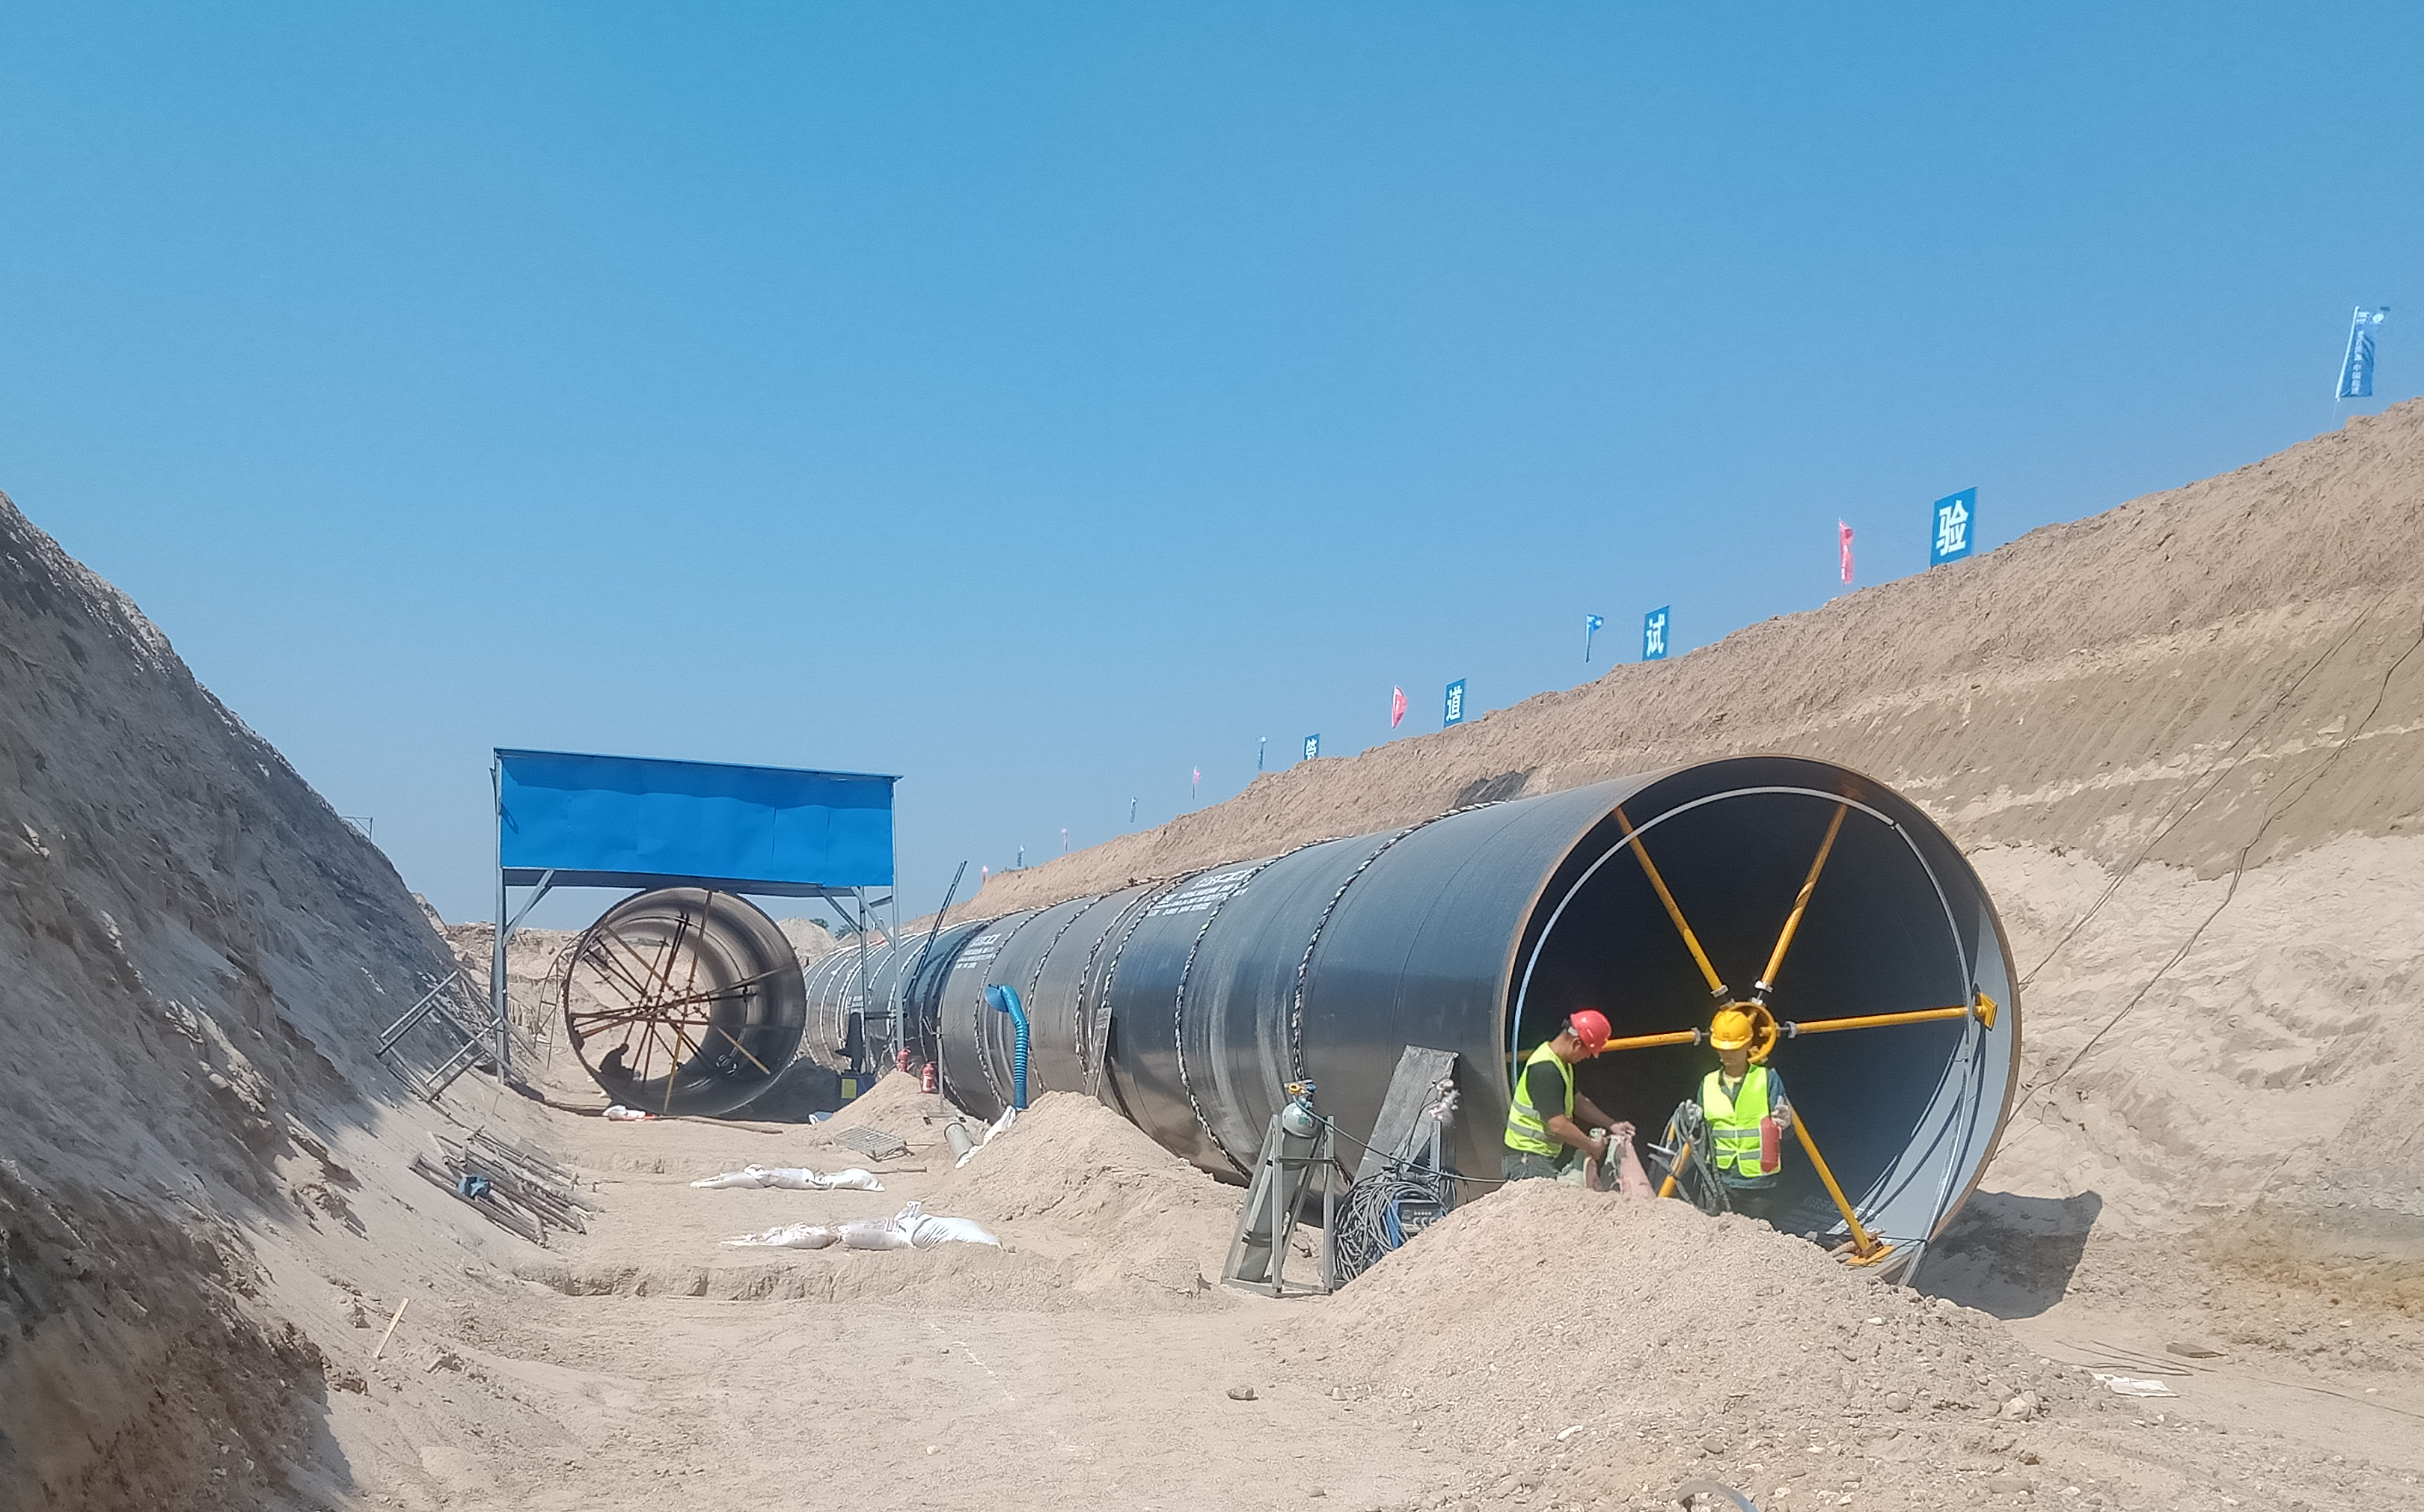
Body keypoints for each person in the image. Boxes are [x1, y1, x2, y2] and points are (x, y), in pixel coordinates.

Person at [1503, 1010, 1626, 1183]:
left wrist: (1612, 1124)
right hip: (1528, 1160)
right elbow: (1558, 1126)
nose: (1587, 1058)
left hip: (1538, 1156)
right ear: (1576, 1043)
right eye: (1588, 1053)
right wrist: (1592, 1147)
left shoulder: (1560, 1063)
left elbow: (1578, 1101)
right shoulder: (1546, 1070)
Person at [1701, 1007, 1793, 1223]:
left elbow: (1786, 1131)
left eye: (1734, 1049)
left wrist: (1786, 1124)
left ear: (1748, 1045)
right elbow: (1700, 1132)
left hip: (1758, 1186)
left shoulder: (1767, 1079)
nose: (1727, 1055)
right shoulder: (1708, 1083)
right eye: (1722, 1049)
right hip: (1720, 1182)